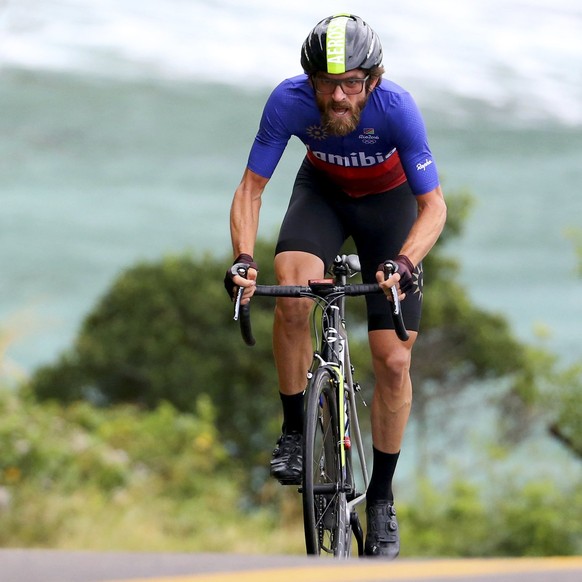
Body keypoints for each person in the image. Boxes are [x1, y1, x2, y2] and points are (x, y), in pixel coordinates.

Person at [224, 13, 446, 559]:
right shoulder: (289, 102)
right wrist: (243, 259)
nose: (340, 95)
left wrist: (406, 261)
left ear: (373, 79)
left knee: (393, 360)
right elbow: (252, 189)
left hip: (389, 208)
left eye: (352, 83)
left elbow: (433, 206)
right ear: (310, 81)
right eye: (328, 83)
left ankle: (381, 501)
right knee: (293, 291)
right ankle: (296, 432)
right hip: (322, 193)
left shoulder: (397, 109)